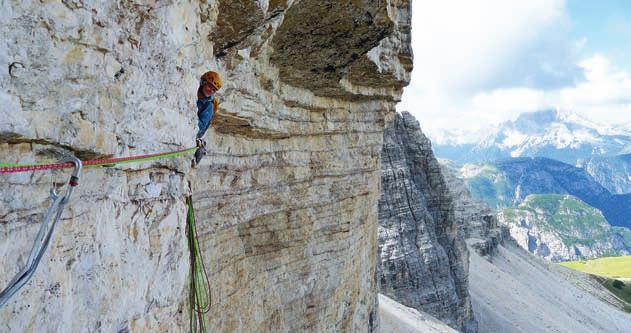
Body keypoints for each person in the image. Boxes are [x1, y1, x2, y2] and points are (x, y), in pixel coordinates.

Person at [193, 70, 222, 166]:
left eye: (214, 90)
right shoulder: (194, 91)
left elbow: (201, 125)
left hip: (196, 133)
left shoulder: (209, 105)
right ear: (203, 83)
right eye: (210, 86)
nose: (211, 91)